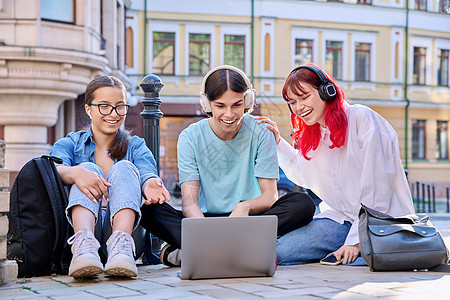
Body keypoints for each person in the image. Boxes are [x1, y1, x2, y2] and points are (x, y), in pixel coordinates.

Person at [140, 65, 315, 266]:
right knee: (148, 210)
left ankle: (195, 252)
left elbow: (270, 196)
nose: (229, 114)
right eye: (220, 105)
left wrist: (245, 206)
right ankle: (237, 249)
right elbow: (190, 203)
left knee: (303, 204)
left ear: (247, 102)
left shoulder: (261, 132)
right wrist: (204, 231)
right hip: (205, 221)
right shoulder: (190, 137)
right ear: (207, 104)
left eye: (237, 105)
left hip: (248, 219)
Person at [256, 64, 415, 265]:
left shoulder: (362, 118)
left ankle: (359, 252)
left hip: (380, 222)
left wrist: (356, 242)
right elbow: (304, 173)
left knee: (362, 260)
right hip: (341, 220)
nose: (299, 108)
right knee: (280, 252)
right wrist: (278, 143)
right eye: (293, 102)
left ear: (326, 91)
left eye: (304, 98)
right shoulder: (314, 133)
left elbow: (378, 186)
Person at [49, 75, 170, 278]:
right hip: (82, 231)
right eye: (104, 106)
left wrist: (150, 183)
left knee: (124, 167)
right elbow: (50, 171)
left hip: (128, 235)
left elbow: (146, 171)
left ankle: (120, 249)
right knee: (86, 168)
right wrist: (76, 172)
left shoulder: (136, 145)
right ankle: (84, 248)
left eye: (120, 106)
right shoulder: (70, 143)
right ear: (89, 109)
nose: (113, 114)